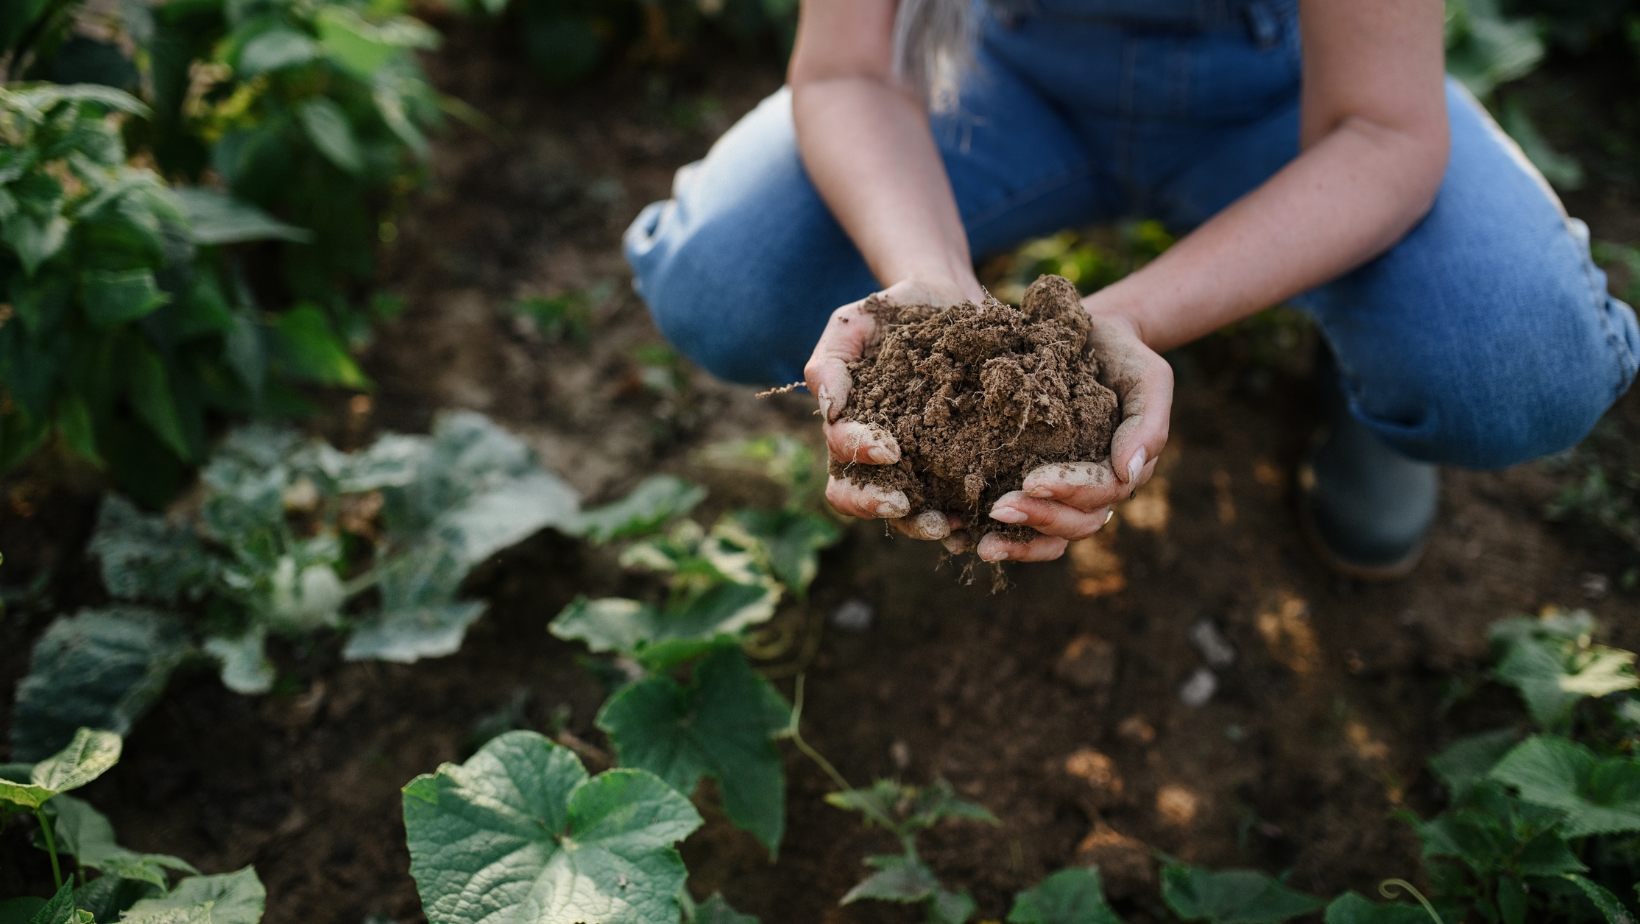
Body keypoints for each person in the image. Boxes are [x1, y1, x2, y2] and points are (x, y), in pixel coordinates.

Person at [623, 0, 1640, 578]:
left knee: (1514, 363)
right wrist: (926, 282)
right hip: (994, 71)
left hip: (1295, 98)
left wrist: (1124, 320)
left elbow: (1380, 130)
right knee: (731, 284)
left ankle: (1368, 389)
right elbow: (848, 70)